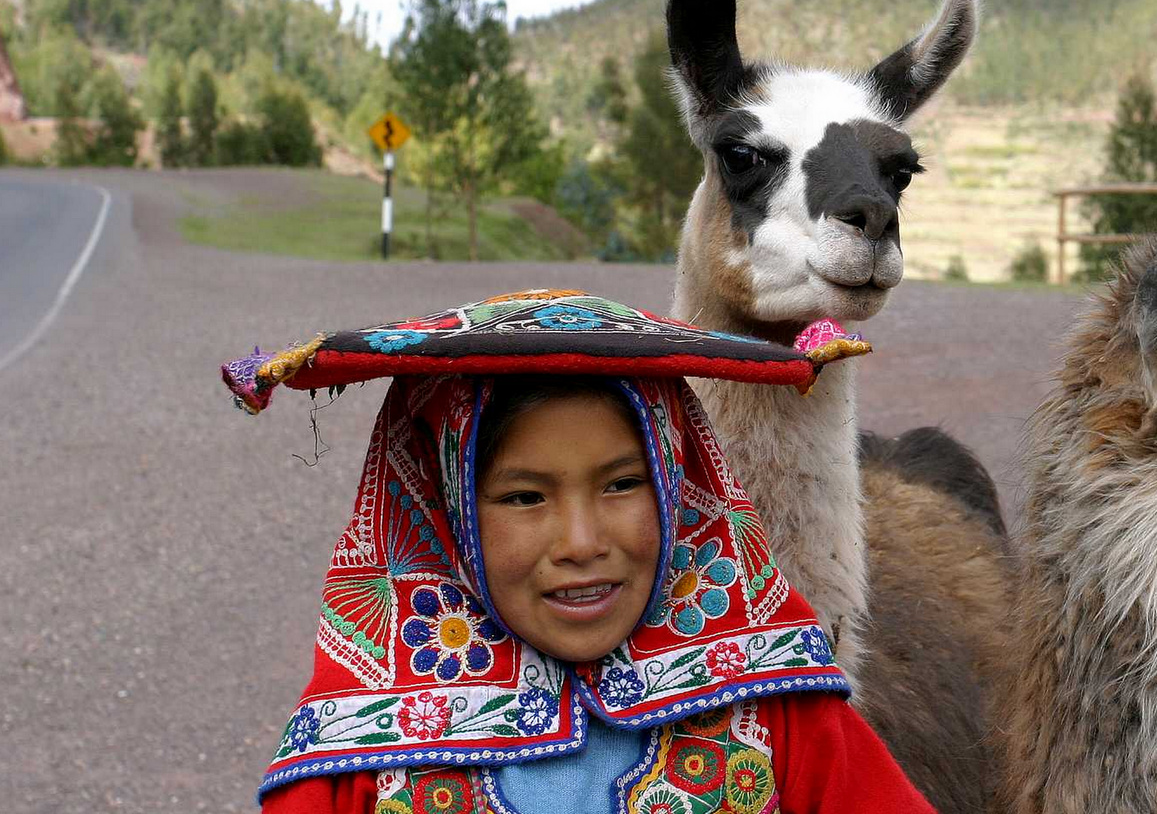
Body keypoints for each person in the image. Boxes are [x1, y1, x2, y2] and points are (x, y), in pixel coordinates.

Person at [224, 290, 929, 813]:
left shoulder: (777, 713)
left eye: (623, 484)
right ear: (445, 513)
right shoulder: (356, 764)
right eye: (526, 498)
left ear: (676, 486)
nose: (584, 543)